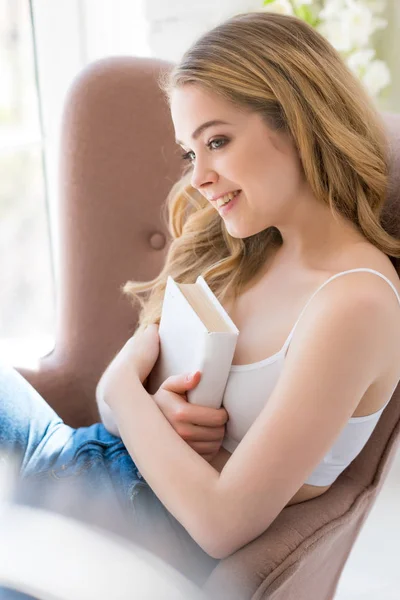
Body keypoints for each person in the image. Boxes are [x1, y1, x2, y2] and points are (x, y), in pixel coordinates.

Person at [1, 10, 400, 594]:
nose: (199, 178)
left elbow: (221, 524)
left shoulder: (355, 302)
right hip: (68, 453)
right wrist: (148, 409)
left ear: (299, 123)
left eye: (217, 140)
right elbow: (117, 413)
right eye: (192, 152)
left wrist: (120, 391)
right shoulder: (245, 249)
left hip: (113, 537)